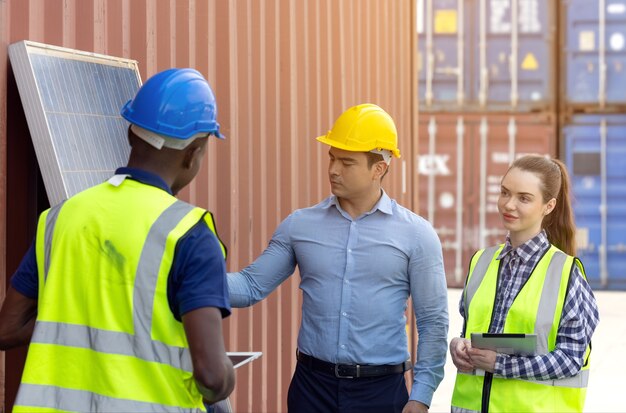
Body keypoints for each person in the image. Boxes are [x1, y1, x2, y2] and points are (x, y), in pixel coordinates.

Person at [0, 68, 235, 412]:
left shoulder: (58, 218)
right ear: (192, 153)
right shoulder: (190, 235)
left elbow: (6, 331)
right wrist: (225, 380)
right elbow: (213, 379)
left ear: (129, 134)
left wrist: (74, 324)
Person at [228, 103, 449, 413]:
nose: (333, 170)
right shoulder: (299, 225)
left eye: (347, 162)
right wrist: (187, 277)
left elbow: (432, 322)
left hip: (381, 394)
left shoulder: (417, 235)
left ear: (379, 169)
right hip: (311, 389)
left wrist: (421, 396)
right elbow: (250, 286)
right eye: (331, 159)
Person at [449, 155, 600, 413]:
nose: (509, 204)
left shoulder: (567, 274)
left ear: (549, 206)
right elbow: (472, 332)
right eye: (504, 193)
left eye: (524, 198)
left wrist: (502, 365)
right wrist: (458, 346)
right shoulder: (480, 262)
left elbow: (571, 359)